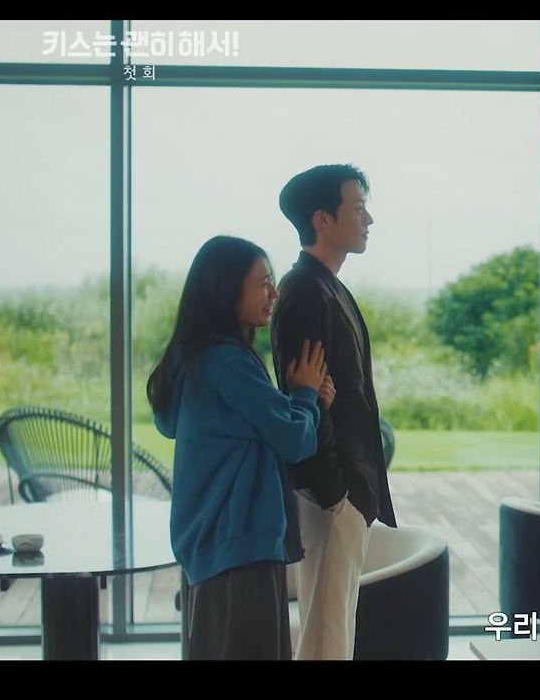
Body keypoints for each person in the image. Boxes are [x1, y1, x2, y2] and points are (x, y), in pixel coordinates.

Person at [148, 235, 334, 660]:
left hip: (209, 547)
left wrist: (299, 404)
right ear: (226, 291)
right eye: (263, 283)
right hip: (241, 549)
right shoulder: (228, 363)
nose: (274, 293)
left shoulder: (192, 358)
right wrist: (306, 395)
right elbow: (294, 442)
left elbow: (244, 425)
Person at [271, 164, 397, 660]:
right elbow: (303, 395)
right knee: (326, 637)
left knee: (332, 632)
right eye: (358, 208)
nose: (369, 220)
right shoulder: (305, 292)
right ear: (322, 219)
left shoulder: (324, 286)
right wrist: (334, 493)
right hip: (329, 492)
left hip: (342, 489)